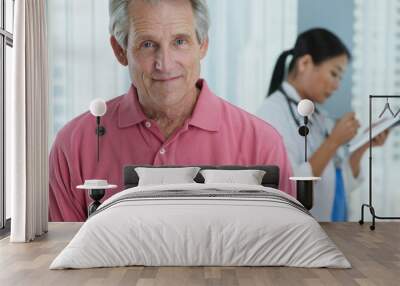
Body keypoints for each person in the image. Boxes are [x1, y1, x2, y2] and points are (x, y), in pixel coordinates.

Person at [49, 0, 295, 221]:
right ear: (120, 50)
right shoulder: (74, 146)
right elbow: (62, 257)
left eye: (180, 41)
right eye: (147, 44)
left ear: (203, 45)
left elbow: (282, 254)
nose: (165, 64)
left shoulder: (263, 144)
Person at [257, 28, 389, 221]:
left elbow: (338, 183)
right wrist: (333, 142)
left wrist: (363, 145)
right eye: (334, 74)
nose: (336, 85)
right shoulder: (271, 114)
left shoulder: (319, 117)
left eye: (340, 78)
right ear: (305, 63)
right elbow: (287, 187)